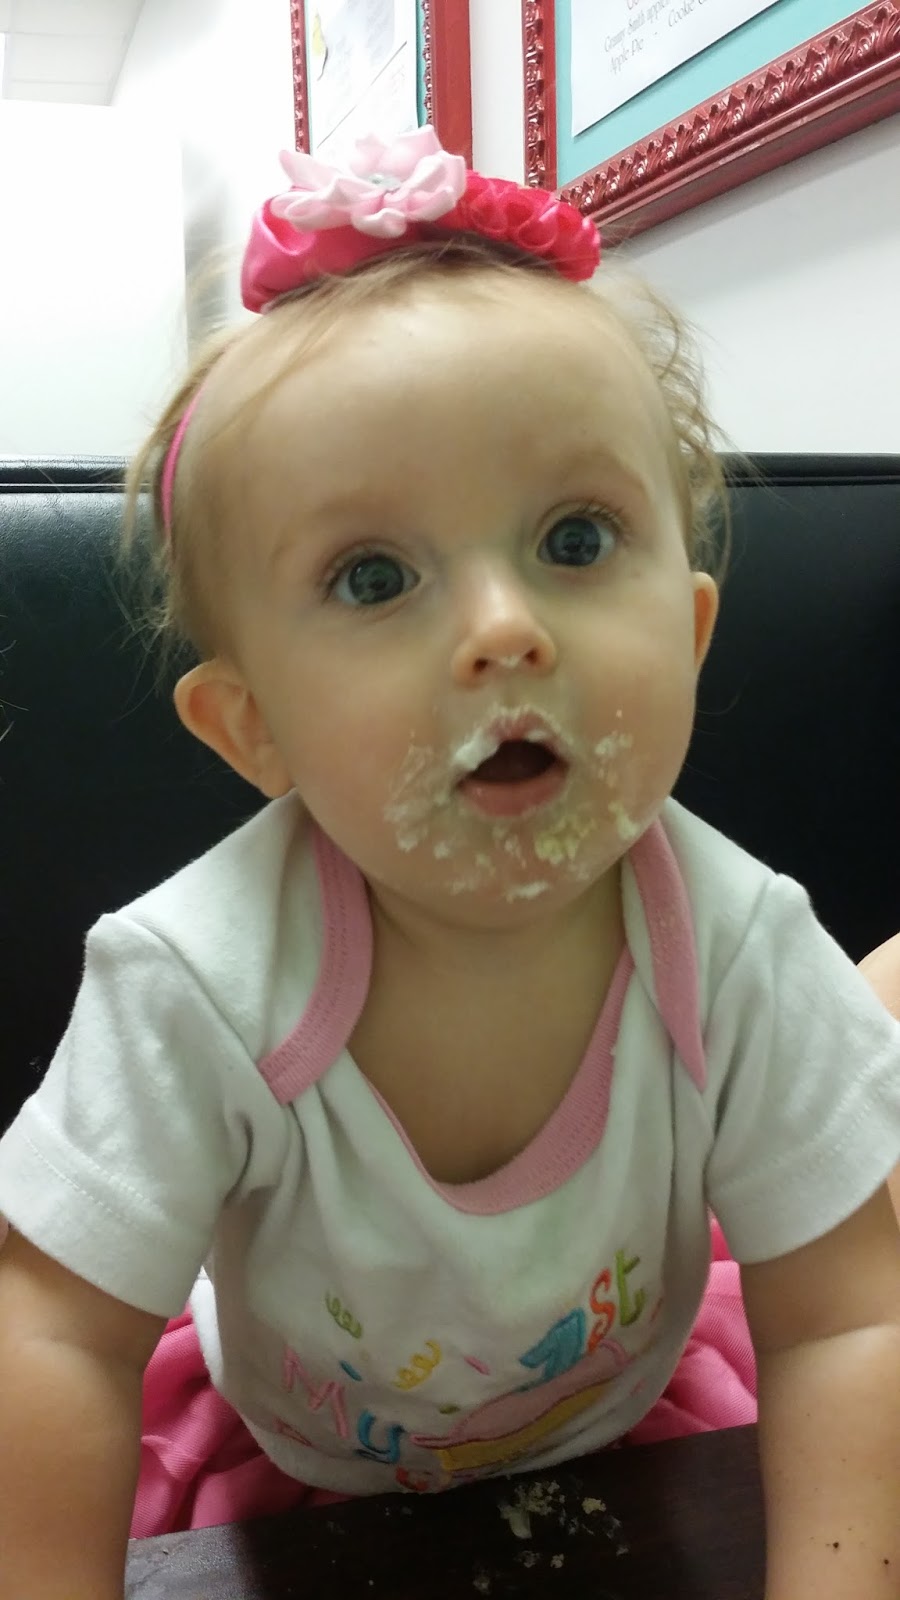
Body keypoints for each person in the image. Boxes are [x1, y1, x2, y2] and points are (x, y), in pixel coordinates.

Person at [0, 127, 899, 1600]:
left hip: (633, 1426)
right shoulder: (194, 983)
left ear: (689, 632)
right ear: (252, 728)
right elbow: (51, 1336)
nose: (503, 629)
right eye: (375, 577)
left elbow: (852, 1320)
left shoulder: (736, 944)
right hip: (295, 1460)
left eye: (574, 538)